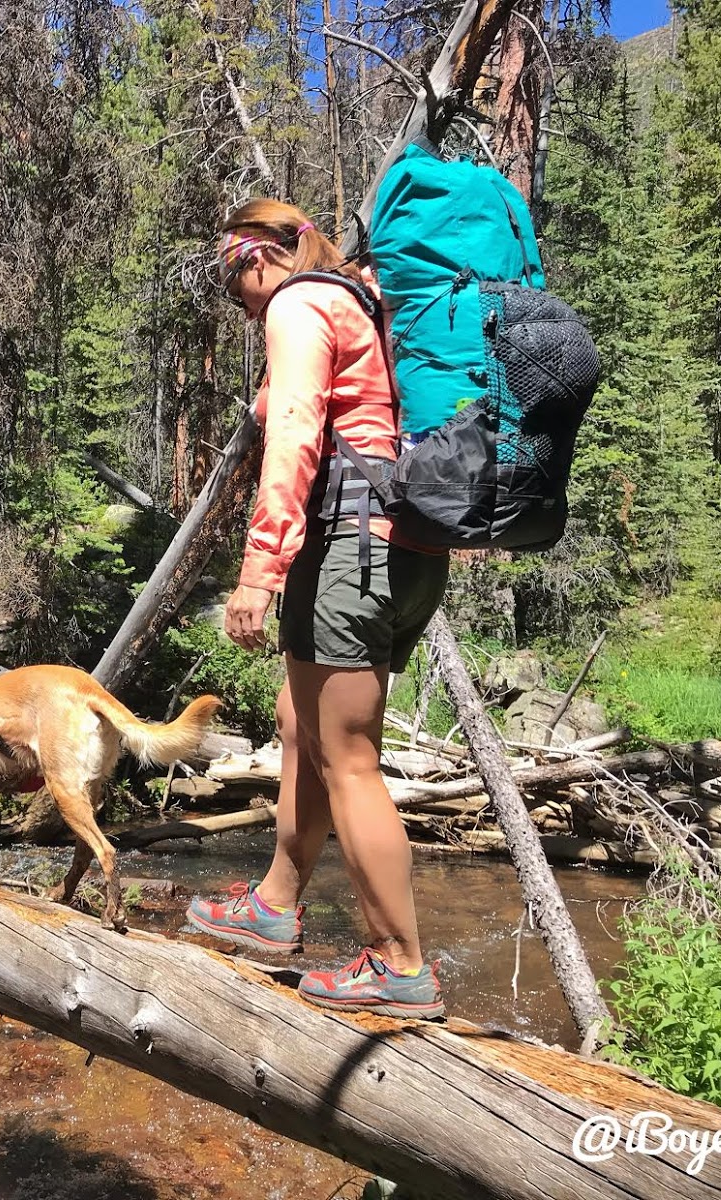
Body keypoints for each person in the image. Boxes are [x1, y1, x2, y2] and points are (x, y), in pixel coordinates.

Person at [185, 199, 451, 1020]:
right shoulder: (366, 299)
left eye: (238, 285)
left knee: (348, 758)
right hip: (404, 552)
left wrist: (258, 571)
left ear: (256, 259)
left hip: (348, 548)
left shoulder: (301, 304)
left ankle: (399, 962)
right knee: (300, 724)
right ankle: (274, 903)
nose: (244, 303)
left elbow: (296, 432)